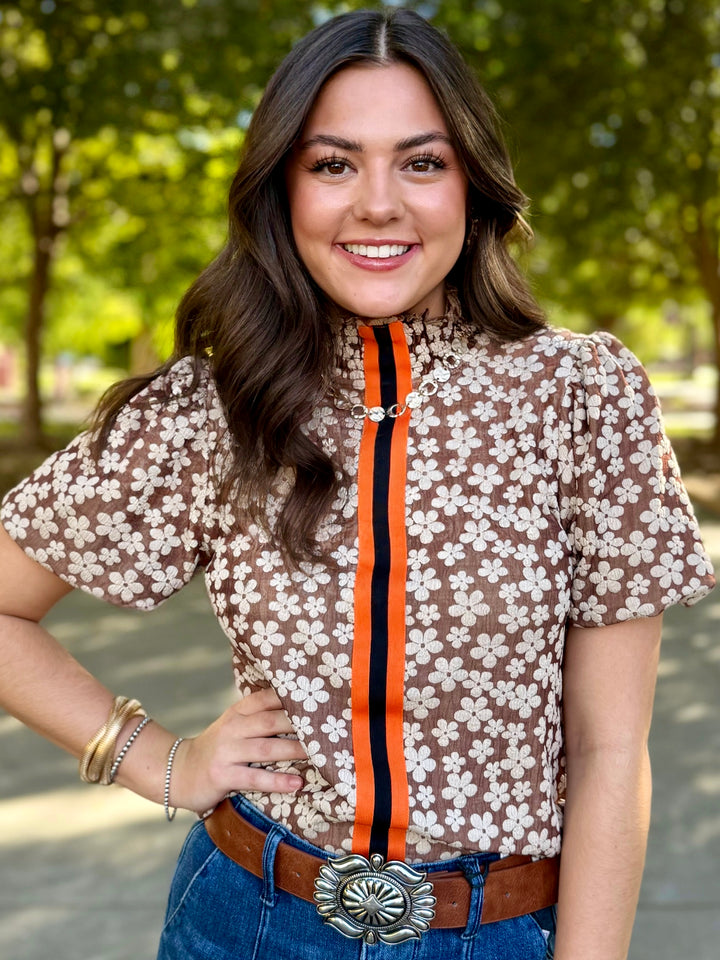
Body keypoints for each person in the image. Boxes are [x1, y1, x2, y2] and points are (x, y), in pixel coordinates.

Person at [0, 8, 715, 960]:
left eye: (421, 162)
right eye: (332, 163)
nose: (377, 203)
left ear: (474, 184)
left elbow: (611, 753)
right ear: (282, 188)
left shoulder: (579, 396)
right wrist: (159, 761)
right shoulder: (212, 406)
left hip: (496, 934)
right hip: (246, 922)